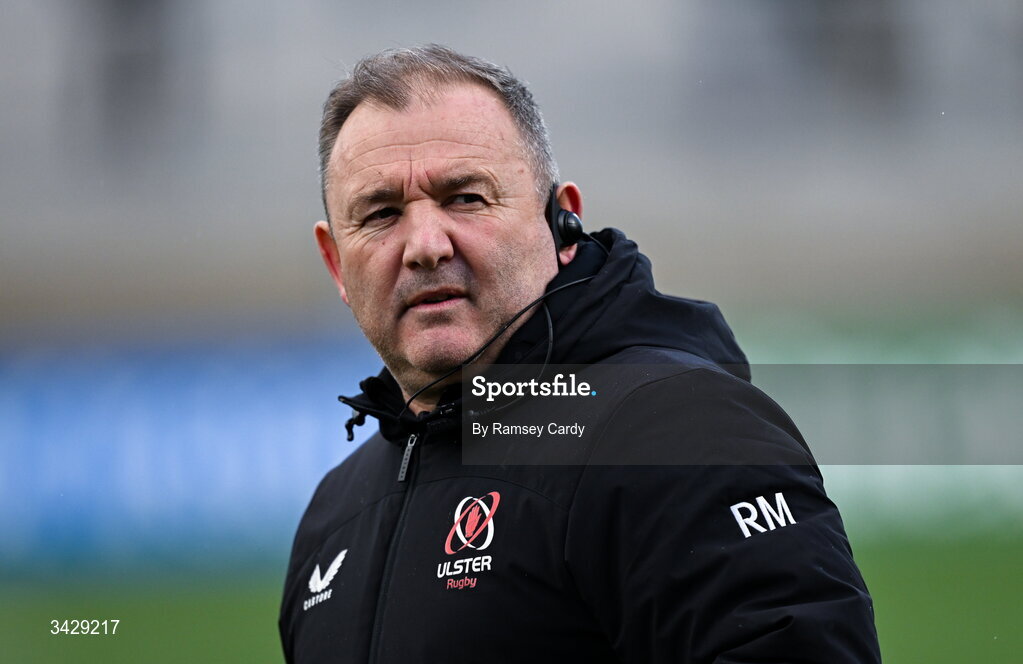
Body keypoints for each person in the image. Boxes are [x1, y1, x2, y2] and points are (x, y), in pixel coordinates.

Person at [279, 44, 881, 663]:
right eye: (381, 214)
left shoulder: (675, 434)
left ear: (562, 224)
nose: (426, 245)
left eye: (465, 198)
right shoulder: (334, 515)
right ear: (336, 264)